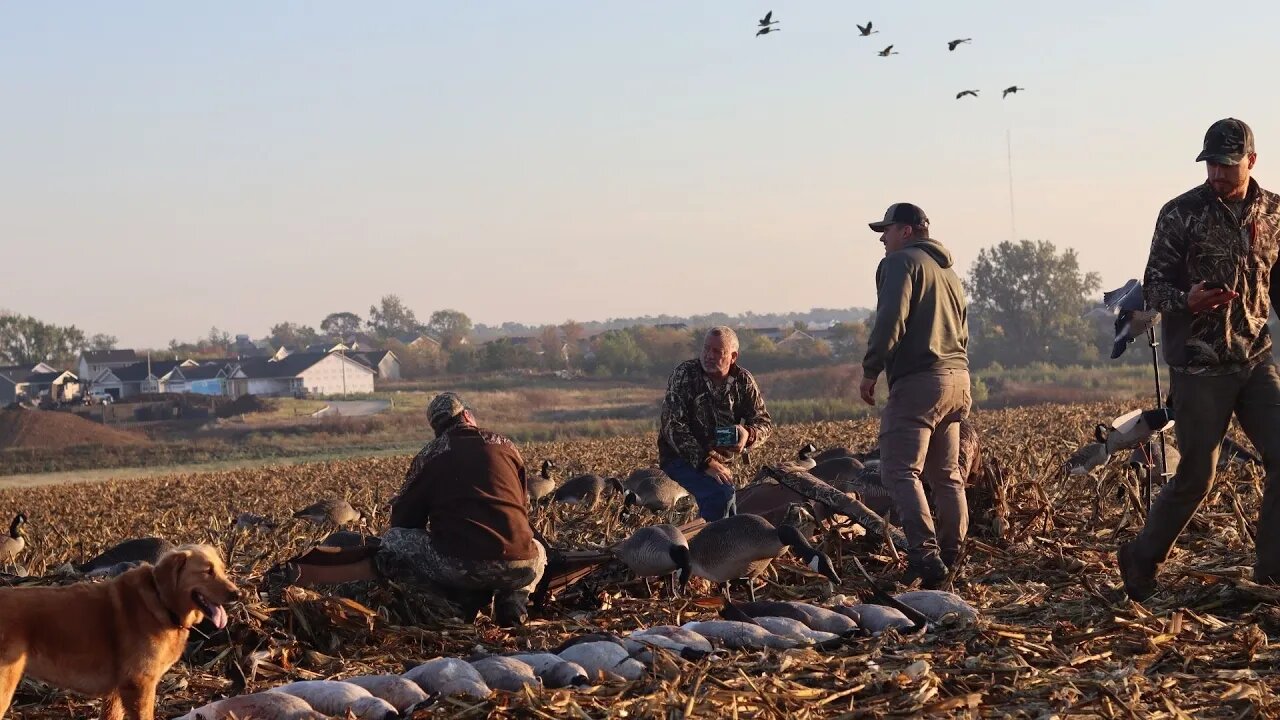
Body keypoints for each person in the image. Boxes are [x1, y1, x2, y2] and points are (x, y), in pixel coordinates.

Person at [1120, 118, 1280, 600]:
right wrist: (1187, 301)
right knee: (1197, 475)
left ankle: (1271, 577)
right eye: (1211, 163)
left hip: (1255, 359)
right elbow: (1153, 286)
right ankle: (1141, 556)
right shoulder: (1180, 213)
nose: (1217, 174)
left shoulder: (1274, 213)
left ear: (1251, 160)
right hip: (1198, 366)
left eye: (1227, 165)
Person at [860, 202, 971, 589]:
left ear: (906, 231)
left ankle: (925, 558)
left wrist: (871, 368)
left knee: (899, 470)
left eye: (886, 230)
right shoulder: (949, 272)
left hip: (921, 380)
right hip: (958, 378)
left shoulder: (900, 264)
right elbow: (963, 330)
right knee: (947, 475)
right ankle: (952, 555)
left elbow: (891, 319)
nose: (882, 238)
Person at [380, 392, 547, 627]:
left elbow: (403, 520)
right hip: (521, 565)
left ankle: (448, 604)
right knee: (539, 548)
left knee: (392, 539)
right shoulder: (507, 446)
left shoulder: (430, 455)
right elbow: (521, 505)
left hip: (460, 566)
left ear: (436, 428)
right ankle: (513, 598)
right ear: (467, 415)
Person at [658, 326, 773, 521]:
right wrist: (705, 462)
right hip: (680, 459)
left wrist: (748, 434)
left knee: (729, 506)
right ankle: (708, 547)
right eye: (706, 349)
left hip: (720, 461)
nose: (709, 356)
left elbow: (764, 422)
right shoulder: (685, 375)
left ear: (733, 356)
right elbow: (673, 427)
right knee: (720, 494)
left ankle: (730, 544)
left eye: (717, 351)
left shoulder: (743, 381)